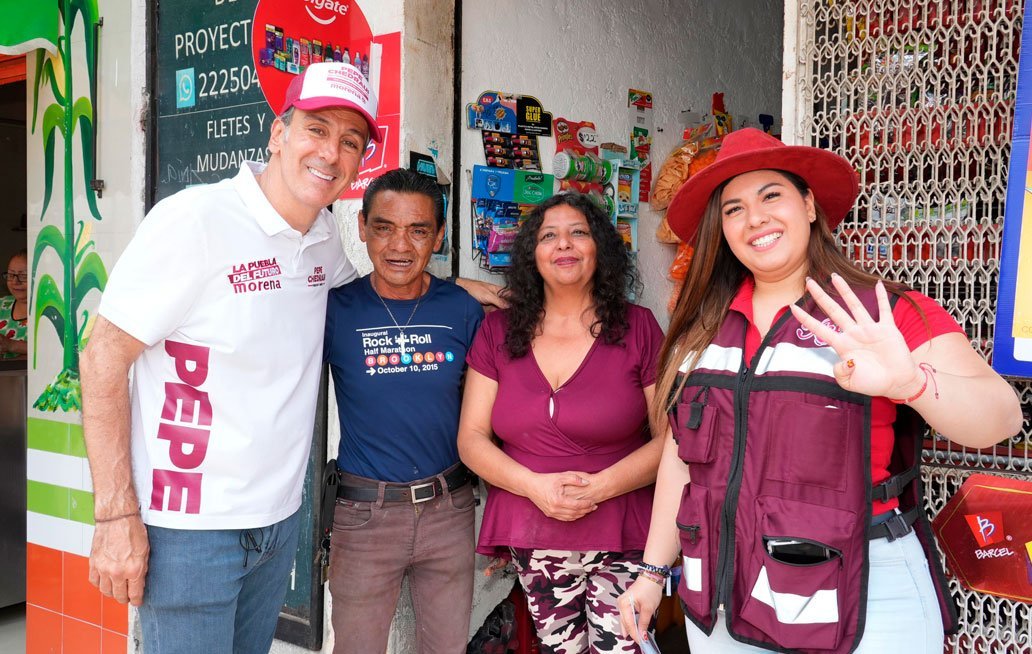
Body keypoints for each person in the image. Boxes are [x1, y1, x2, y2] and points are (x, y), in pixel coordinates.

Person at [79, 62, 501, 653]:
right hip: (189, 529)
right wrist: (116, 515)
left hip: (277, 524)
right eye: (316, 129)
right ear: (278, 133)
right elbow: (101, 358)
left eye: (349, 141)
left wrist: (455, 286)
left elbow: (382, 290)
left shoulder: (323, 239)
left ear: (358, 164)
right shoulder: (196, 219)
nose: (331, 152)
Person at [616, 128, 1023, 654]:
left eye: (771, 196)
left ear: (808, 205)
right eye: (734, 209)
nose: (754, 219)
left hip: (863, 595)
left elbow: (1001, 417)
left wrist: (911, 384)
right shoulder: (703, 327)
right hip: (721, 599)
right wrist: (652, 572)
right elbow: (682, 459)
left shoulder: (883, 313)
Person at [458, 192, 665, 654]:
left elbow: (670, 438)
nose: (564, 245)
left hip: (625, 530)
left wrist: (601, 487)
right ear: (532, 253)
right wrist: (535, 487)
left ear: (601, 249)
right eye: (548, 235)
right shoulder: (497, 332)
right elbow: (471, 440)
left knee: (623, 648)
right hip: (534, 533)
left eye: (578, 233)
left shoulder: (639, 327)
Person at [325, 168, 483, 653]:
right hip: (363, 515)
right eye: (384, 227)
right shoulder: (333, 309)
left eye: (418, 230)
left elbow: (490, 413)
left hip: (450, 509)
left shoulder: (463, 309)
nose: (400, 245)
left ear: (438, 236)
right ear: (362, 228)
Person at [0, 250, 28, 359]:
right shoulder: (2, 303)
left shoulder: (49, 311)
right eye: (11, 275)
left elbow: (53, 351)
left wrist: (11, 345)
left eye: (23, 276)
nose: (15, 282)